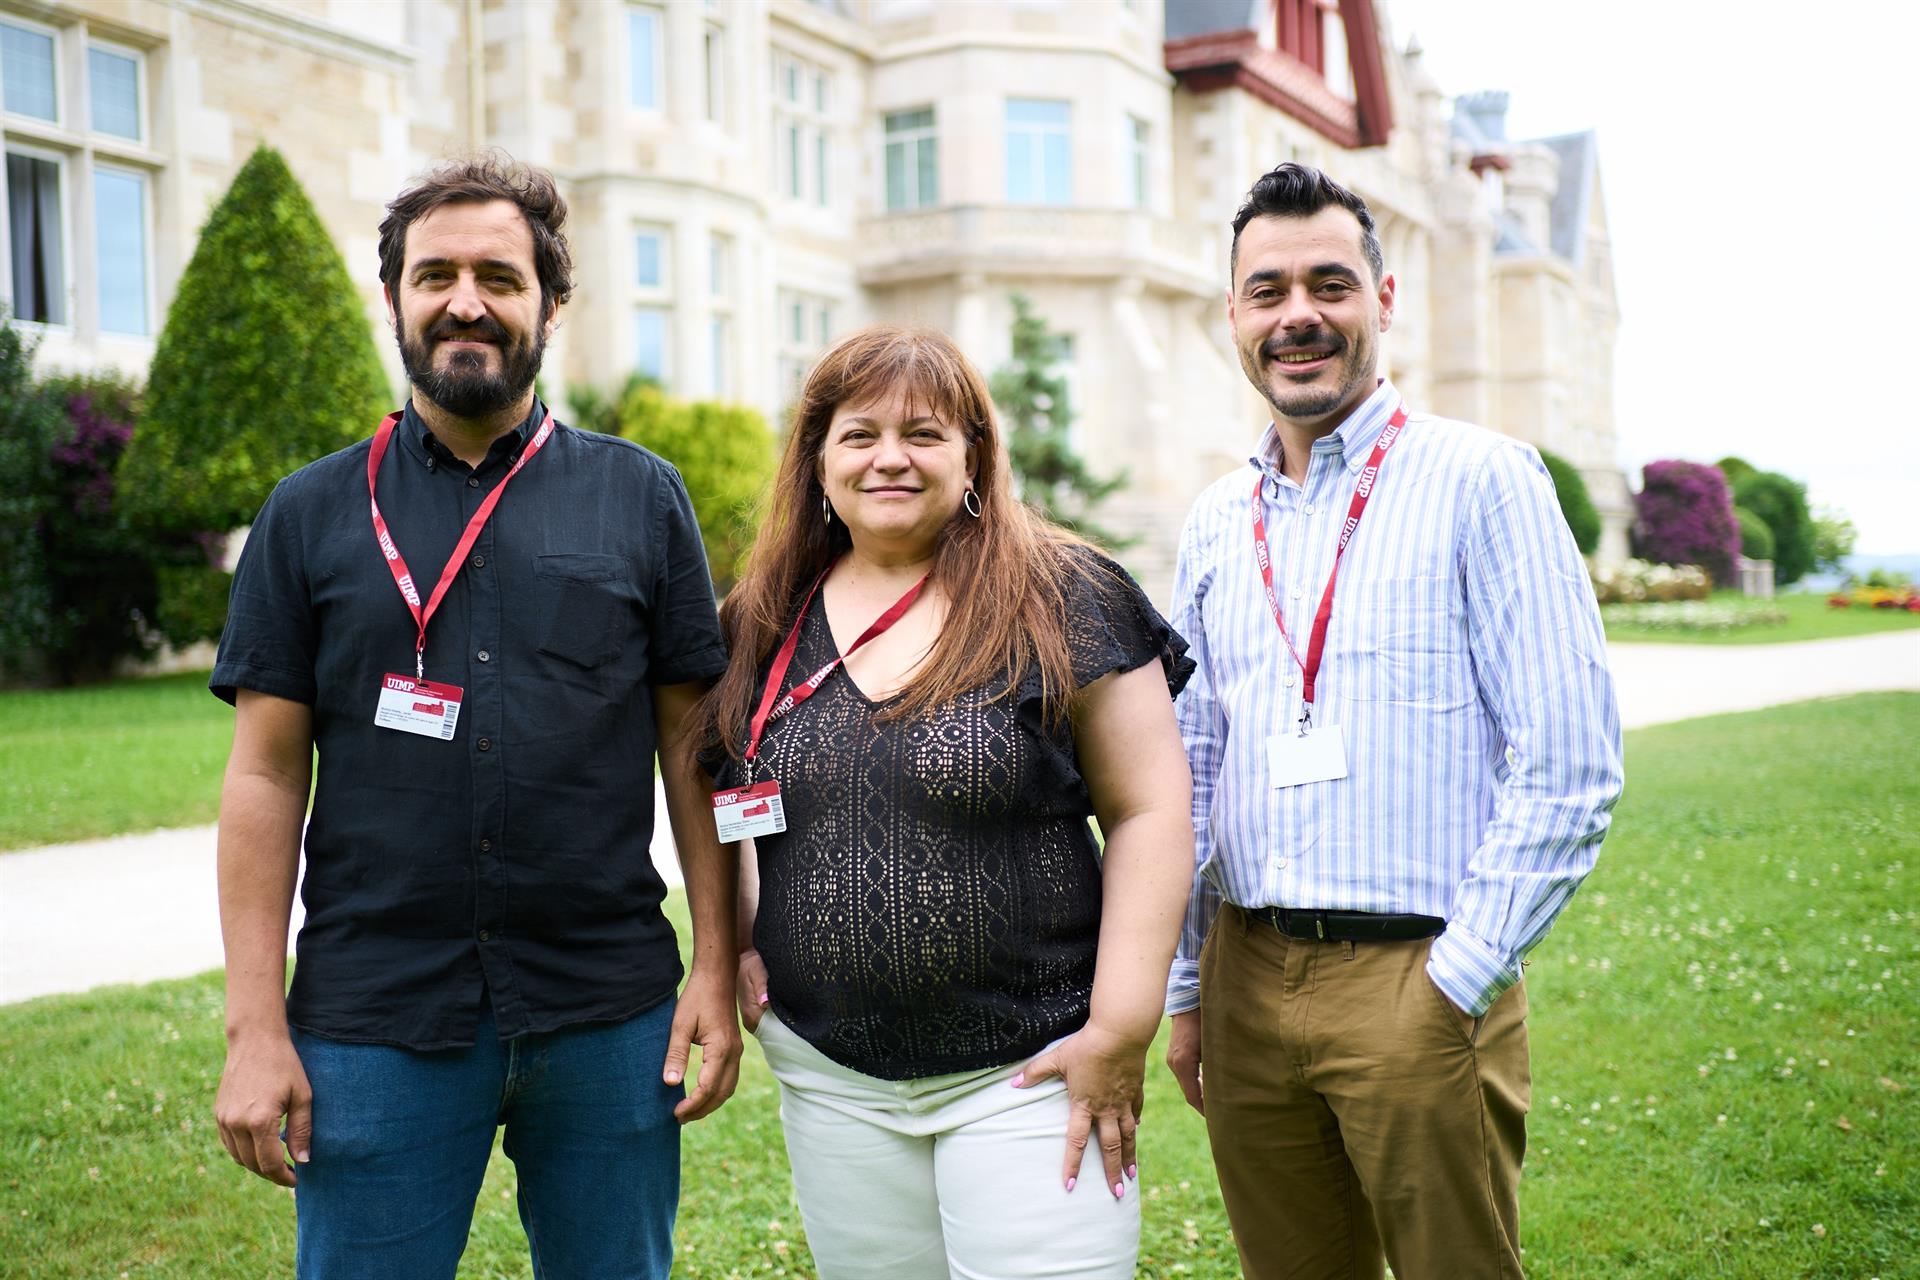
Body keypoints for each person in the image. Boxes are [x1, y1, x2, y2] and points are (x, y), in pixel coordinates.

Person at [207, 155, 740, 1279]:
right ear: (392, 297)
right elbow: (262, 776)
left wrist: (715, 961)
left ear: (551, 304)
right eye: (434, 273)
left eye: (499, 276)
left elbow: (694, 750)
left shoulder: (642, 496)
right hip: (375, 1019)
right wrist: (256, 1024)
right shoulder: (305, 514)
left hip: (607, 1011)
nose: (465, 300)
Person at [1163, 162, 1624, 1279]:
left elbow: (1570, 765)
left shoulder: (1487, 481)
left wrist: (1456, 979)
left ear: (1384, 296)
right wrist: (1188, 988)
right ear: (1233, 314)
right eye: (1266, 290)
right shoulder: (1217, 522)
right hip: (1248, 976)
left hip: (1419, 977)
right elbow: (1191, 767)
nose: (1298, 315)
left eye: (1329, 282)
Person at [691, 326, 1194, 1279]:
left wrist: (1121, 1028)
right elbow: (725, 796)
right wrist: (740, 941)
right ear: (818, 463)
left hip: (1032, 1072)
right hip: (833, 1081)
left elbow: (1150, 811)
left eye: (923, 433)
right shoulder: (757, 620)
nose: (890, 457)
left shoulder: (1063, 594)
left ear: (973, 455)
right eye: (859, 433)